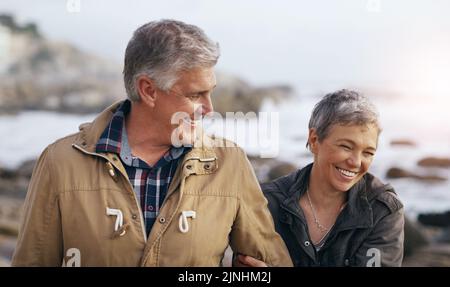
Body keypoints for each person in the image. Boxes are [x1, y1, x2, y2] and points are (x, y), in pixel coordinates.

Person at [12, 19, 292, 267]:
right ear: (148, 90)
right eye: (196, 95)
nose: (209, 108)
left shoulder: (230, 163)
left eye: (211, 93)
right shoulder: (59, 162)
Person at [236, 89, 404, 267]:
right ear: (314, 140)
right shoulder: (267, 203)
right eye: (346, 147)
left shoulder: (381, 210)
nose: (356, 162)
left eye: (368, 152)